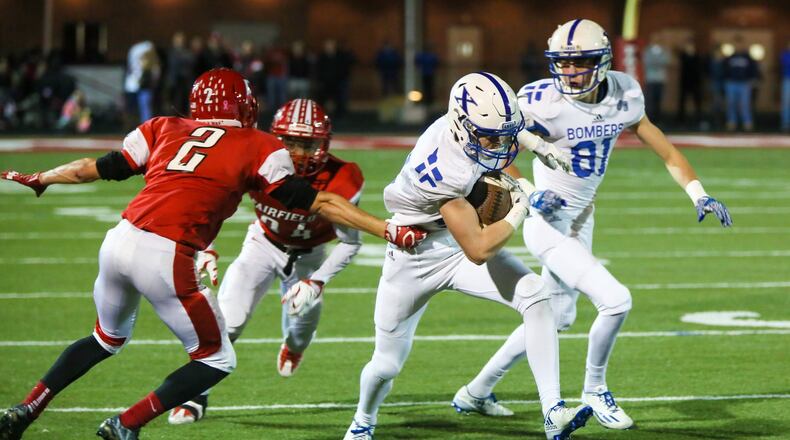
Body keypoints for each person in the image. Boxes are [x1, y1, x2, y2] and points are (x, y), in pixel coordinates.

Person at [0, 68, 426, 440]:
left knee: (104, 338)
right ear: (246, 106)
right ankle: (127, 423)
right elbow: (319, 203)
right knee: (216, 359)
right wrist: (386, 228)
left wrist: (42, 177)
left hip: (119, 239)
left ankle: (28, 407)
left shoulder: (163, 126)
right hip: (167, 253)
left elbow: (93, 167)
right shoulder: (257, 144)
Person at [455, 19, 733, 432]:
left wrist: (698, 192)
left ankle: (476, 392)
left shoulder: (624, 93)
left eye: (578, 62)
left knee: (557, 315)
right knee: (616, 301)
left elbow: (666, 149)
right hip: (546, 219)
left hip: (582, 216)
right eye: (562, 63)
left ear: (601, 61)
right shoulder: (539, 100)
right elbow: (498, 148)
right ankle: (594, 389)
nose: (568, 72)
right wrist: (528, 191)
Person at [343, 71, 594, 440]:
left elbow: (506, 131)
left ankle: (553, 411)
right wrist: (521, 205)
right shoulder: (447, 166)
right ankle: (363, 421)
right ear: (463, 126)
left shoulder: (474, 124)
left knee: (537, 297)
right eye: (489, 137)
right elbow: (477, 249)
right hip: (417, 254)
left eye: (502, 134)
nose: (498, 144)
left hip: (452, 238)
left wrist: (536, 144)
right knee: (386, 363)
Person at [167, 98, 365, 424]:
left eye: (308, 144)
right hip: (262, 244)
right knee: (227, 323)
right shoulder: (259, 159)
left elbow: (349, 243)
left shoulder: (343, 176)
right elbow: (210, 201)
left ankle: (294, 345)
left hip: (309, 257)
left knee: (302, 330)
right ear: (276, 138)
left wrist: (316, 282)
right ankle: (194, 394)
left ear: (324, 143)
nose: (299, 153)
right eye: (290, 142)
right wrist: (207, 245)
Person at [723, 36, 759, 131]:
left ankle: (747, 123)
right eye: (737, 44)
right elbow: (725, 69)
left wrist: (753, 79)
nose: (738, 46)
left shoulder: (748, 57)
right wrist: (726, 79)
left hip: (744, 83)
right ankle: (732, 122)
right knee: (731, 103)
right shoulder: (730, 57)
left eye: (740, 44)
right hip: (732, 83)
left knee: (745, 104)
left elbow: (753, 69)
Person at [780, 41, 790, 132]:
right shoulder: (785, 54)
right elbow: (786, 63)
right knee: (786, 103)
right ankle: (786, 124)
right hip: (787, 80)